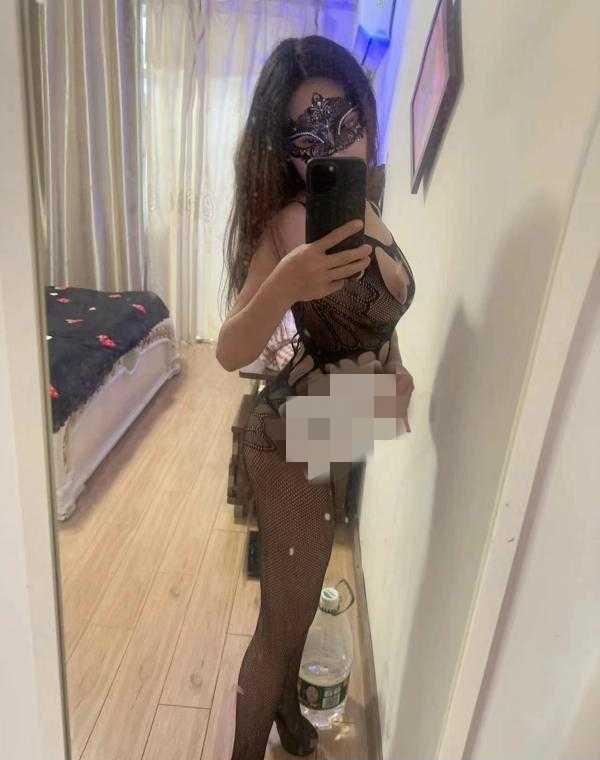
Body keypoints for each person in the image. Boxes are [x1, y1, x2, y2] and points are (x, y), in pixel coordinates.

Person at [217, 35, 415, 760]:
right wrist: (285, 284)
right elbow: (228, 350)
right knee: (281, 620)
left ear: (365, 111)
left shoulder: (365, 198)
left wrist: (395, 372)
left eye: (345, 123)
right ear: (285, 150)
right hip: (289, 433)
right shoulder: (287, 223)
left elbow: (375, 312)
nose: (334, 146)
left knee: (301, 596)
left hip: (336, 417)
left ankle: (289, 723)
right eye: (309, 137)